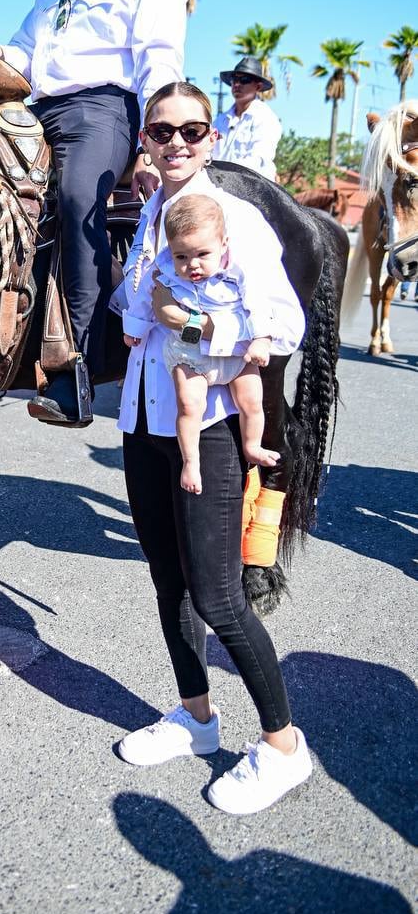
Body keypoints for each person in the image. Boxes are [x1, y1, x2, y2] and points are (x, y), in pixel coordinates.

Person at [116, 80, 312, 815]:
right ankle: (195, 717)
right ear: (145, 139)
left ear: (211, 138)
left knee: (219, 597)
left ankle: (282, 747)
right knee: (167, 581)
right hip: (142, 417)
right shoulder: (150, 215)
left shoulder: (235, 218)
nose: (174, 143)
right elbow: (141, 311)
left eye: (190, 131)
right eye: (160, 131)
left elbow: (282, 324)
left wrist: (193, 331)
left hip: (212, 425)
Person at [0, 0, 186, 425]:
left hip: (105, 111)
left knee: (75, 199)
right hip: (40, 110)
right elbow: (26, 54)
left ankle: (77, 374)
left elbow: (158, 62)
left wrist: (156, 142)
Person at [124, 193, 280, 494]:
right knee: (188, 405)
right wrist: (136, 328)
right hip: (189, 353)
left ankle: (252, 446)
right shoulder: (165, 268)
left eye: (202, 255)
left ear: (223, 245)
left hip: (237, 355)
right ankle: (191, 461)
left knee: (252, 401)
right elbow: (145, 296)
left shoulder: (237, 271)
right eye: (182, 256)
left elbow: (259, 305)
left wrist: (261, 339)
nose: (192, 265)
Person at [213, 55, 281, 180]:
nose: (237, 84)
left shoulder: (266, 118)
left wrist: (224, 175)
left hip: (254, 187)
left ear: (258, 87)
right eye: (234, 80)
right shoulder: (220, 120)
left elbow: (259, 159)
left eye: (244, 80)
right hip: (220, 184)